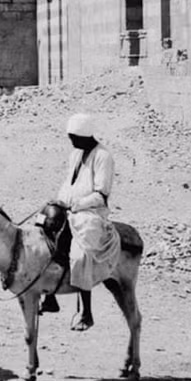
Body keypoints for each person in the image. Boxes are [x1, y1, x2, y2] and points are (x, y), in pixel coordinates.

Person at [40, 112, 122, 329]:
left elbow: (101, 194)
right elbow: (69, 184)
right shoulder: (76, 154)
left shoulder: (103, 156)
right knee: (42, 229)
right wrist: (58, 201)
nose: (72, 141)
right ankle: (50, 296)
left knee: (80, 255)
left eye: (74, 137)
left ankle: (86, 312)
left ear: (85, 136)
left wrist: (74, 205)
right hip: (69, 208)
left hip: (91, 214)